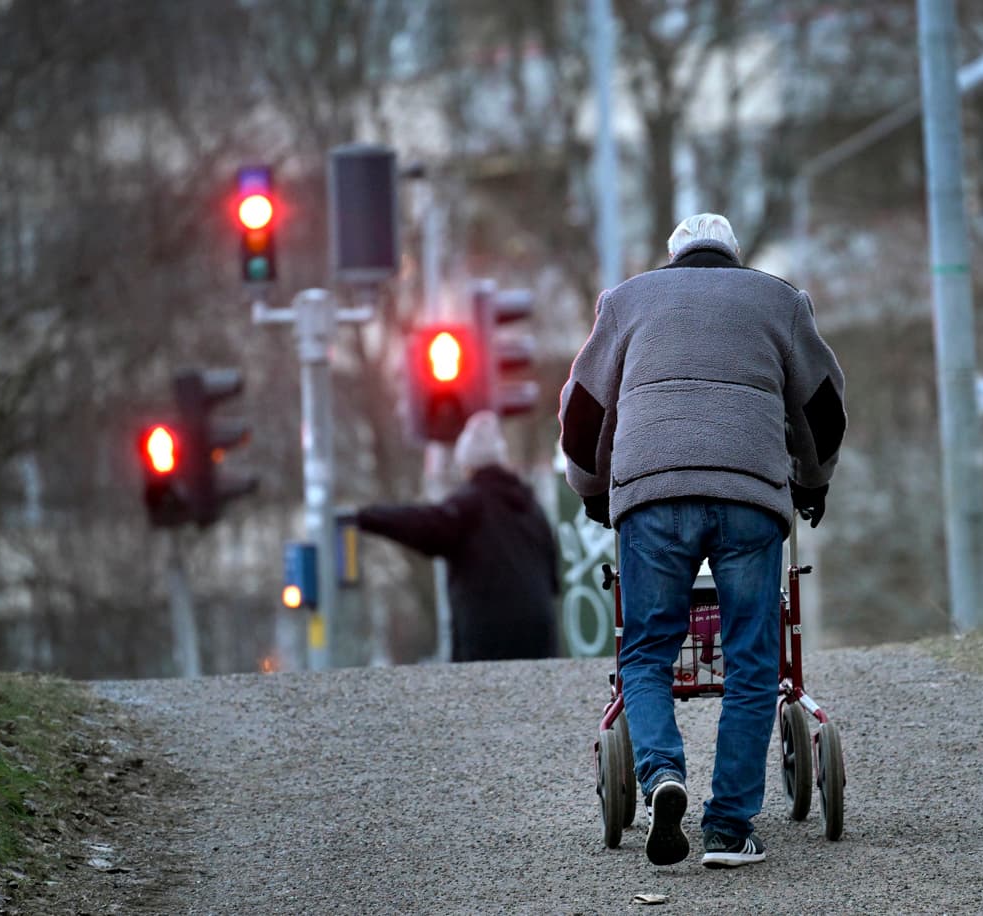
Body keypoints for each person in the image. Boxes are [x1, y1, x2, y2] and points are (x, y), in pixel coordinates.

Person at [559, 213, 846, 868]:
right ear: (732, 256)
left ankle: (662, 775)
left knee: (648, 649)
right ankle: (729, 829)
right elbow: (822, 406)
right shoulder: (779, 301)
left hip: (652, 495)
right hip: (749, 497)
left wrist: (593, 489)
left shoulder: (625, 303)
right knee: (753, 657)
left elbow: (582, 413)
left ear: (673, 257)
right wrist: (812, 479)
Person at [351, 410, 560, 662]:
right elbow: (553, 576)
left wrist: (366, 517)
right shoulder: (531, 507)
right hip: (540, 636)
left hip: (488, 638)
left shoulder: (470, 504)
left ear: (468, 466)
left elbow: (425, 524)